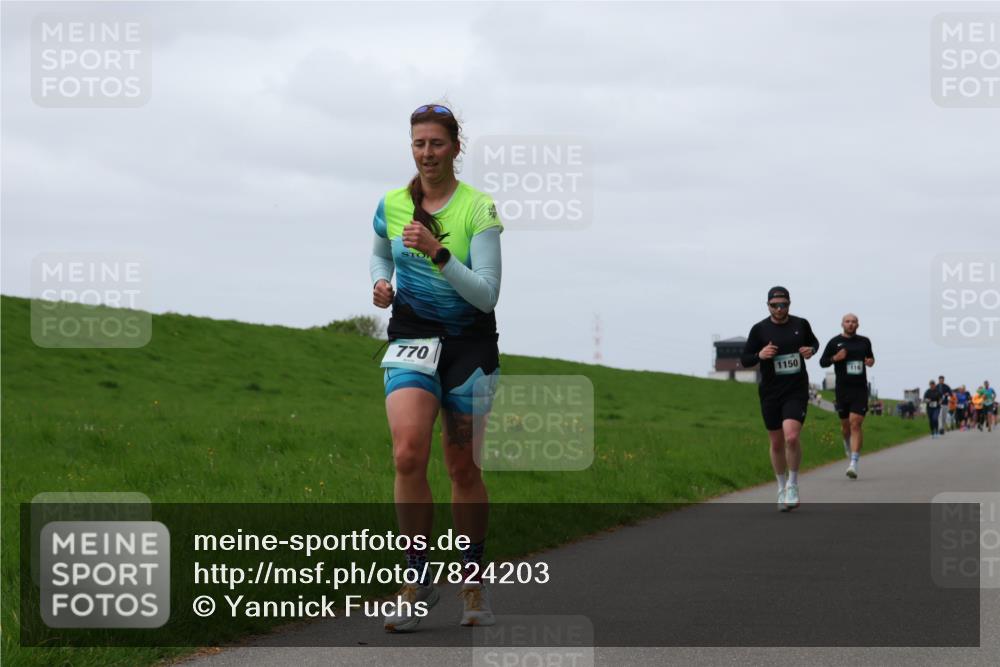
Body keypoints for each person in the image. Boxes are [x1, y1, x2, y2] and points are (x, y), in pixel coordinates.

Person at [370, 103, 503, 632]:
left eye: (438, 144)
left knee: (462, 467)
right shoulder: (391, 203)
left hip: (468, 347)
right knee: (406, 455)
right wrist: (380, 284)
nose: (427, 153)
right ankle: (417, 577)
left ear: (456, 147)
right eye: (419, 144)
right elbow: (381, 253)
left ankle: (471, 581)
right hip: (410, 341)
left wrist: (439, 253)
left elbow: (487, 295)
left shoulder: (478, 209)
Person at [740, 286, 820, 511]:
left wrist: (810, 350)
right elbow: (745, 359)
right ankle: (781, 487)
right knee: (776, 442)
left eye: (783, 304)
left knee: (792, 437)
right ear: (768, 306)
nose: (779, 308)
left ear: (789, 304)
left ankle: (793, 485)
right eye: (774, 305)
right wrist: (759, 355)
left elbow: (815, 343)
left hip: (796, 390)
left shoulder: (800, 324)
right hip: (770, 392)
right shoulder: (759, 330)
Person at [819, 313, 874, 479]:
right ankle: (847, 444)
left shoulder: (864, 341)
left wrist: (870, 361)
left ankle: (854, 463)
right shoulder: (834, 342)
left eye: (854, 322)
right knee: (845, 427)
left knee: (855, 423)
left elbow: (871, 358)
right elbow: (822, 362)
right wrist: (836, 357)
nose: (850, 324)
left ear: (858, 324)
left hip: (860, 389)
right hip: (842, 390)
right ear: (842, 324)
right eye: (847, 321)